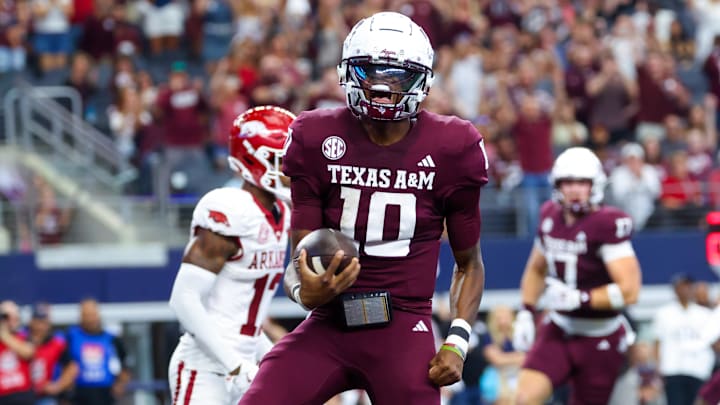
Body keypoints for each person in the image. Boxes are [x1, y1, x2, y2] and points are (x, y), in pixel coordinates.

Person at [241, 11, 489, 404]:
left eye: (398, 75)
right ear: (347, 73)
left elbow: (469, 263)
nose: (381, 86)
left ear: (422, 80)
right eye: (370, 72)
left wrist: (457, 341)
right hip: (329, 322)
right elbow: (301, 257)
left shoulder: (453, 147)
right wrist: (303, 291)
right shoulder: (314, 136)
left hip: (404, 326)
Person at [167, 105, 295, 404]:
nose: (290, 169)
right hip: (205, 369)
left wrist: (266, 358)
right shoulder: (230, 208)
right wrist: (235, 365)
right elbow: (183, 300)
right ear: (253, 159)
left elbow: (242, 316)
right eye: (280, 160)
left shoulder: (282, 215)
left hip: (244, 366)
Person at [512, 147, 642, 405]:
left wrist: (579, 298)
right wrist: (526, 311)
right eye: (567, 182)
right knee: (524, 398)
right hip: (560, 327)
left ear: (596, 185)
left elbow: (630, 291)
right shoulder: (549, 214)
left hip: (600, 335)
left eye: (582, 182)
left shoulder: (607, 223)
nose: (574, 189)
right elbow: (536, 269)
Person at [652, 274, 714, 405]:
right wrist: (657, 370)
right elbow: (657, 342)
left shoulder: (706, 314)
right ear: (675, 290)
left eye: (688, 286)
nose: (685, 290)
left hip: (699, 370)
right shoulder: (663, 313)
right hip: (672, 369)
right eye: (681, 287)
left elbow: (713, 342)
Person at [63, 298, 130, 405]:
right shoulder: (71, 337)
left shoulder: (111, 339)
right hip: (79, 394)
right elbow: (62, 363)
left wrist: (120, 384)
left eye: (92, 315)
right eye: (86, 315)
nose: (90, 319)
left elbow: (125, 364)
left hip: (105, 395)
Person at [0, 300, 35, 405]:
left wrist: (4, 334)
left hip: (22, 395)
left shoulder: (24, 336)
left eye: (14, 316)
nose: (11, 320)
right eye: (6, 316)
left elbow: (28, 353)